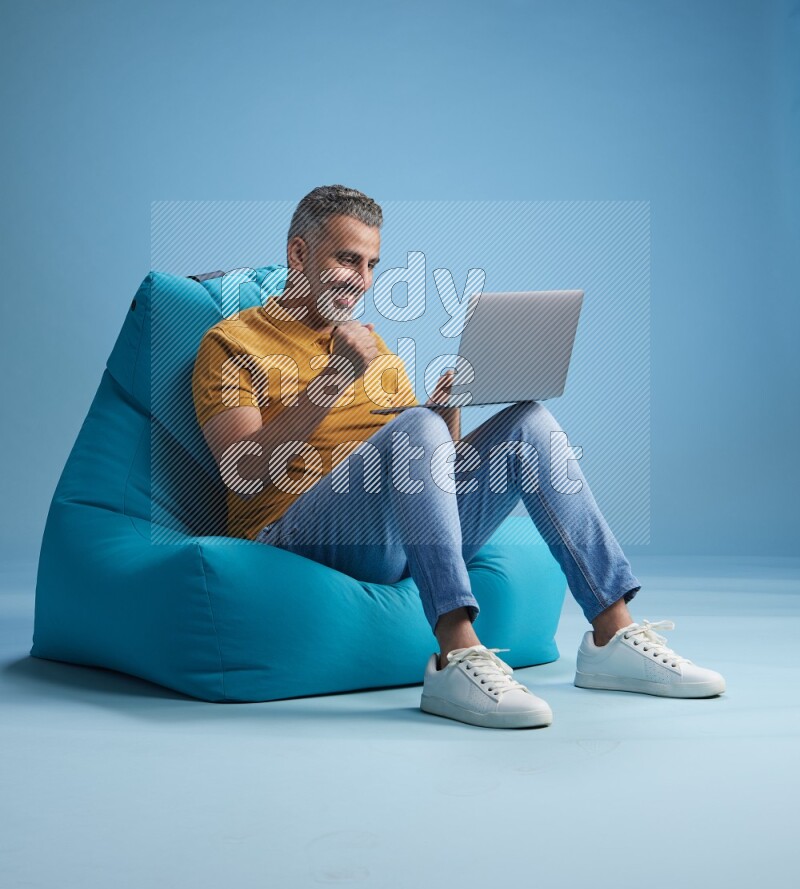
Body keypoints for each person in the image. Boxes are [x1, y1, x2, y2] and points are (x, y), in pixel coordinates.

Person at [192, 184, 726, 729]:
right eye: (347, 260)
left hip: (393, 535)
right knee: (416, 425)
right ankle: (456, 653)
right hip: (294, 536)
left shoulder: (377, 353)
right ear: (299, 254)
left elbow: (425, 465)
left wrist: (448, 415)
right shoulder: (232, 342)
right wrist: (335, 379)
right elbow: (244, 475)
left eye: (373, 264)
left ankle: (612, 631)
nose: (362, 280)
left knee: (527, 422)